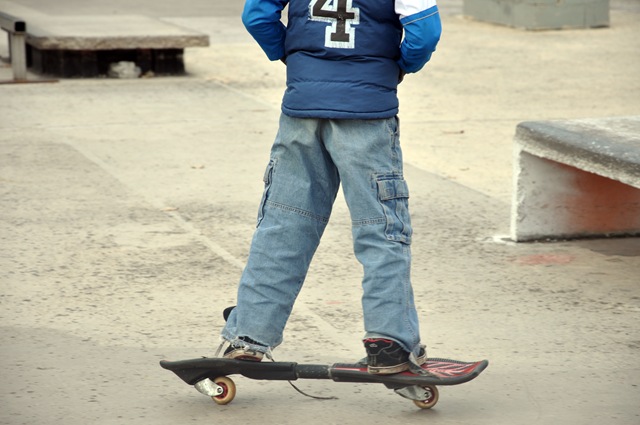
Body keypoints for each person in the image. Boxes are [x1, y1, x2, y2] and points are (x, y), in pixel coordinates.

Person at [220, 0, 442, 375]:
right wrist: (398, 66)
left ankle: (249, 335)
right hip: (367, 113)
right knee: (381, 227)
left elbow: (256, 15)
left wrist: (296, 59)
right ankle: (390, 341)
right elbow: (424, 32)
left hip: (302, 109)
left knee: (284, 224)